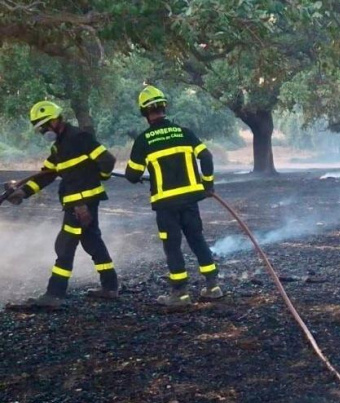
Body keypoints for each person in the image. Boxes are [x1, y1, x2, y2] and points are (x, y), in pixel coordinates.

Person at [5, 101, 119, 308]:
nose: (43, 131)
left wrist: (98, 178)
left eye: (45, 125)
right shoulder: (59, 147)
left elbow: (108, 160)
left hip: (80, 204)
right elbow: (46, 175)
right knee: (92, 241)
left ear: (57, 120)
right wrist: (23, 192)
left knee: (65, 245)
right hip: (78, 203)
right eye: (41, 128)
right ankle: (110, 286)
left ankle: (54, 294)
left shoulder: (79, 138)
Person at [125, 85, 222, 306]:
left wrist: (139, 174)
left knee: (172, 246)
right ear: (164, 107)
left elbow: (131, 175)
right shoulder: (184, 132)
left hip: (166, 203)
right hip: (190, 200)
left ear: (144, 112)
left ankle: (180, 294)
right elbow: (206, 157)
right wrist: (207, 185)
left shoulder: (144, 140)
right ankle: (212, 286)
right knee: (197, 240)